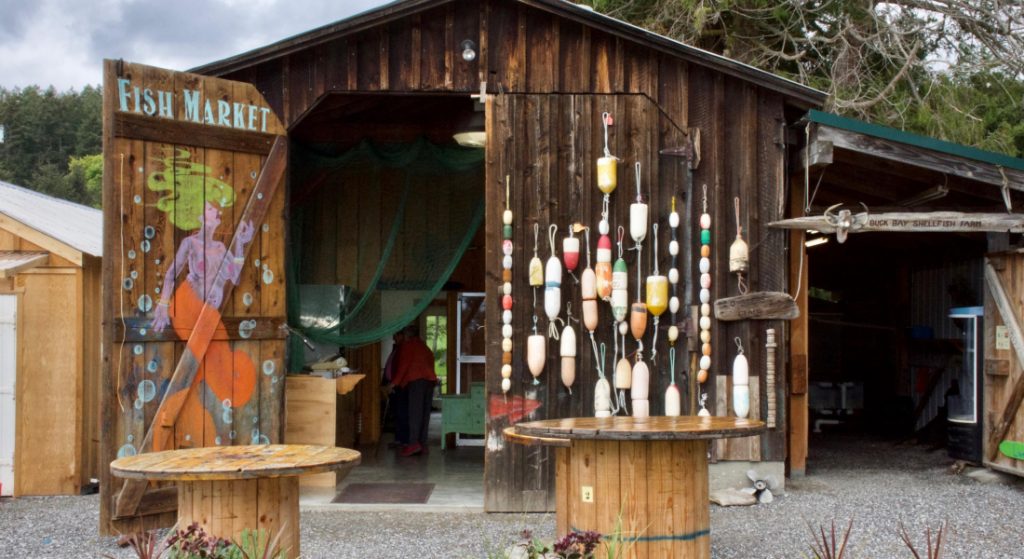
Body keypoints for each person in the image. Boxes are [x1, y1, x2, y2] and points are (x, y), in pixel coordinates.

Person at [388, 323, 438, 456]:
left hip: (417, 381)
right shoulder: (424, 346)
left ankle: (413, 444)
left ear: (406, 335)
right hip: (429, 381)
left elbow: (404, 365)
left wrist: (394, 383)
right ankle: (422, 444)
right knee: (424, 414)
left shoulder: (408, 346)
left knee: (414, 413)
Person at [382, 330, 409, 448]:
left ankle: (403, 440)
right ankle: (398, 439)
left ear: (402, 336)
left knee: (401, 413)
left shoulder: (404, 349)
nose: (394, 338)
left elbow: (401, 369)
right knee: (396, 413)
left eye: (396, 336)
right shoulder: (396, 349)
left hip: (399, 386)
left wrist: (394, 384)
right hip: (392, 385)